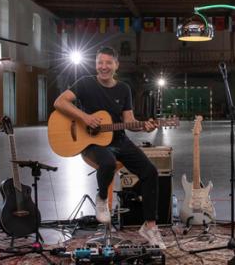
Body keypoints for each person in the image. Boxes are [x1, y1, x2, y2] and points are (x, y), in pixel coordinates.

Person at [53, 46, 165, 249]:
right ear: (96, 64)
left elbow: (129, 120)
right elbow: (59, 102)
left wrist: (144, 126)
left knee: (150, 171)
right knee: (108, 163)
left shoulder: (124, 89)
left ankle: (150, 225)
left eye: (108, 63)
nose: (103, 67)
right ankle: (102, 199)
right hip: (91, 142)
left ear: (116, 65)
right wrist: (85, 117)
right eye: (100, 62)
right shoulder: (85, 83)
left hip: (119, 140)